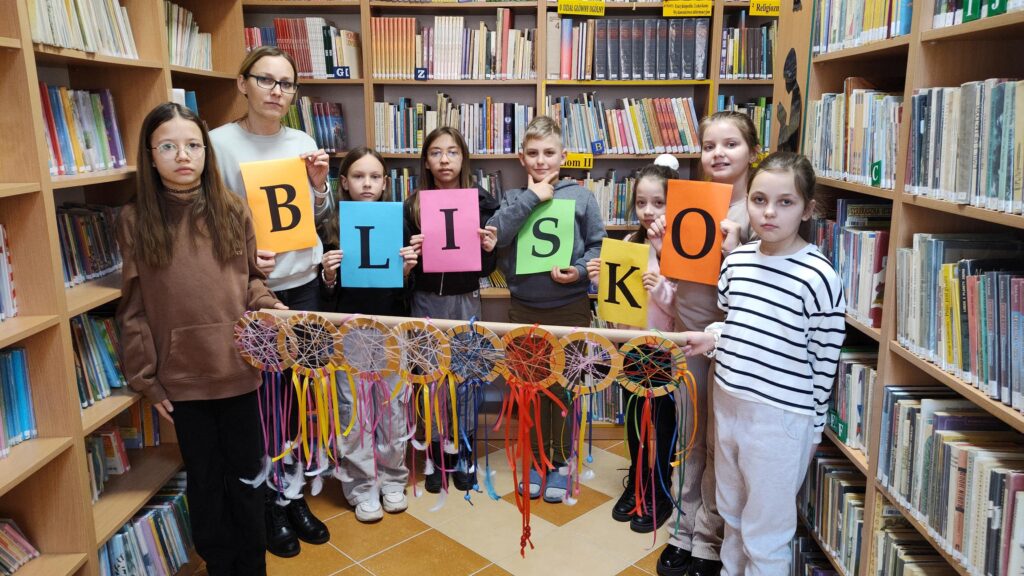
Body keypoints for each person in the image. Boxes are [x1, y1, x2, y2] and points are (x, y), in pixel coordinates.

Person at [116, 102, 286, 576]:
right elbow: (131, 309)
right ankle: (220, 567)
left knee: (248, 481)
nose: (182, 155)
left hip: (237, 370)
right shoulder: (135, 220)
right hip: (182, 380)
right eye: (167, 146)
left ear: (206, 153)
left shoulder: (231, 209)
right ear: (150, 156)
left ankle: (253, 567)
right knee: (206, 485)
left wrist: (271, 307)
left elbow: (249, 281)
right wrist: (146, 379)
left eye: (193, 145)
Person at [679, 151, 845, 575]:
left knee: (765, 532)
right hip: (729, 404)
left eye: (785, 202)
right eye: (759, 200)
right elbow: (737, 324)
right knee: (732, 514)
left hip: (780, 418)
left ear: (808, 209)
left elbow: (824, 357)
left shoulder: (818, 275)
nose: (769, 212)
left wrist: (810, 429)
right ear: (746, 201)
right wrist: (711, 338)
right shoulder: (736, 262)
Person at [209, 46, 333, 558]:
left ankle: (295, 492)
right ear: (242, 84)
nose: (277, 91)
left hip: (304, 285)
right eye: (266, 80)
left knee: (301, 398)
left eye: (286, 83)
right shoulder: (218, 145)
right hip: (254, 292)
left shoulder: (302, 140)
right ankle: (269, 503)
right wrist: (241, 251)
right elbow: (206, 221)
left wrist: (321, 187)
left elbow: (316, 212)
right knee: (264, 401)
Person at [649, 111, 762, 576]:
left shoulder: (761, 211)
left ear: (752, 152)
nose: (718, 153)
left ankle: (710, 541)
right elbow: (673, 280)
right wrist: (658, 246)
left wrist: (737, 250)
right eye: (709, 145)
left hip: (736, 342)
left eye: (731, 144)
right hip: (688, 337)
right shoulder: (689, 204)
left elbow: (766, 286)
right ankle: (684, 528)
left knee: (723, 444)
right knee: (692, 437)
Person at [486, 115, 606, 503]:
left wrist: (582, 271)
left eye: (549, 153)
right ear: (522, 157)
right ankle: (537, 461)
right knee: (531, 390)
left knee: (563, 390)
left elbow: (597, 247)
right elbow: (497, 234)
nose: (541, 161)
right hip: (524, 308)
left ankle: (560, 462)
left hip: (570, 307)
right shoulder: (511, 199)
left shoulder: (582, 197)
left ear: (563, 156)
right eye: (533, 153)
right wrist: (533, 197)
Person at [318, 146, 420, 522]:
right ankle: (361, 485)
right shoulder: (332, 225)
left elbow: (406, 293)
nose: (367, 183)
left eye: (374, 177)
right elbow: (326, 297)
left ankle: (393, 478)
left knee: (393, 406)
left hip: (392, 328)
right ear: (343, 182)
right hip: (351, 332)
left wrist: (408, 271)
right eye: (358, 176)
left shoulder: (398, 223)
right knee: (355, 409)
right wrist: (328, 274)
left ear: (384, 182)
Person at [586, 157, 680, 533]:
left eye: (658, 203)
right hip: (631, 348)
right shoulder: (629, 242)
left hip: (666, 351)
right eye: (641, 203)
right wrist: (599, 280)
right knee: (634, 423)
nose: (648, 211)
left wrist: (662, 289)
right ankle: (637, 482)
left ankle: (659, 490)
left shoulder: (682, 246)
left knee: (663, 422)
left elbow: (681, 306)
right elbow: (617, 305)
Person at [404, 126, 499, 494]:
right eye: (436, 153)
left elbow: (487, 269)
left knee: (465, 378)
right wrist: (411, 255)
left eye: (452, 152)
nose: (444, 160)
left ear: (464, 158)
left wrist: (488, 249)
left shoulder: (483, 202)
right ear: (426, 161)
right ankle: (435, 452)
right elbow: (402, 269)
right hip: (425, 301)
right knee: (429, 378)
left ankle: (464, 450)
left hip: (465, 300)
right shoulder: (412, 204)